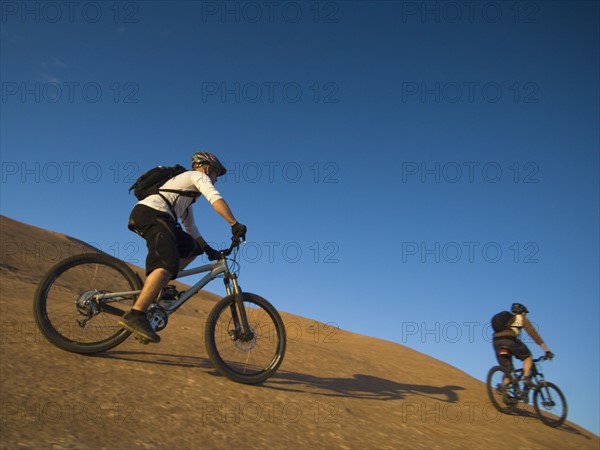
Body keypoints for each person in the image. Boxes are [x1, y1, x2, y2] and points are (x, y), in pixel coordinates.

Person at [119, 151, 247, 343]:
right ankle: (136, 314)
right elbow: (215, 199)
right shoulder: (197, 176)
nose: (215, 179)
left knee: (191, 247)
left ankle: (159, 287)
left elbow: (191, 228)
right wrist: (234, 223)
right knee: (166, 263)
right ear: (207, 167)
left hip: (159, 216)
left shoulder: (187, 198)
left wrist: (207, 249)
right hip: (152, 214)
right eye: (216, 174)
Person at [493, 303, 554, 390]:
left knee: (508, 371)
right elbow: (534, 334)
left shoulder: (506, 320)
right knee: (528, 357)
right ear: (522, 312)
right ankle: (526, 379)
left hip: (496, 341)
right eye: (525, 313)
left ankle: (504, 389)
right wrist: (546, 350)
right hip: (509, 340)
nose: (525, 314)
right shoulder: (521, 318)